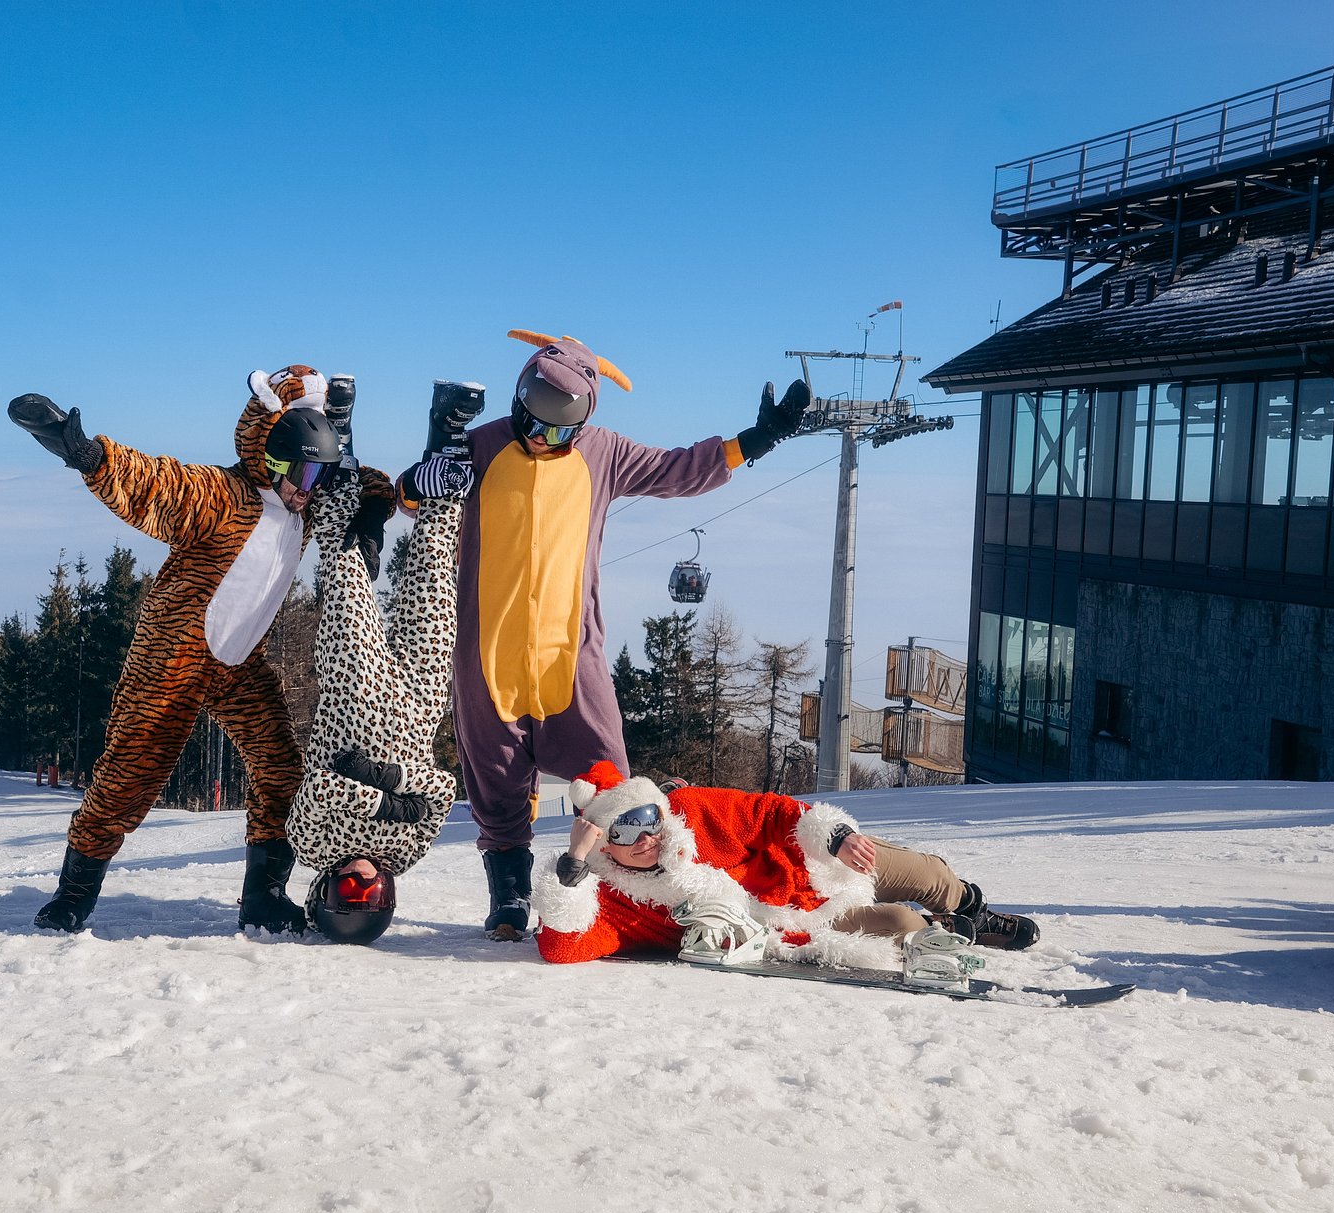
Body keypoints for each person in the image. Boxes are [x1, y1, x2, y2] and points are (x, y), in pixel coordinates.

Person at [446, 330, 811, 938]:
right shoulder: (479, 446)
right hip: (489, 652)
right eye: (532, 424)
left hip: (571, 648)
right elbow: (416, 496)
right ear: (516, 401)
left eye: (560, 432)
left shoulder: (602, 452)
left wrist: (759, 438)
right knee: (497, 777)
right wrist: (423, 474)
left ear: (584, 422)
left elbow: (679, 470)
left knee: (612, 782)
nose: (543, 440)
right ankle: (509, 900)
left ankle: (621, 902)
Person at [9, 366, 394, 935]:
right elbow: (155, 485)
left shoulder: (305, 500)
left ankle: (262, 895)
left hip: (238, 664)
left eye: (320, 474)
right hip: (173, 659)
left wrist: (372, 513)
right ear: (275, 454)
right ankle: (75, 892)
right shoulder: (225, 495)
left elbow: (372, 484)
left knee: (282, 768)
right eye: (303, 473)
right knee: (131, 772)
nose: (308, 489)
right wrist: (87, 453)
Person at [285, 381, 485, 944]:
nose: (360, 882)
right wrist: (395, 785)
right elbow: (444, 790)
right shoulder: (409, 853)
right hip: (420, 703)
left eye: (345, 893)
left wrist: (387, 790)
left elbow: (324, 791)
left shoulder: (311, 844)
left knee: (345, 569)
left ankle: (337, 446)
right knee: (433, 576)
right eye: (368, 897)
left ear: (322, 888)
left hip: (355, 689)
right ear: (387, 897)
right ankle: (447, 439)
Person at [532, 761, 1039, 966]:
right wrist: (572, 868)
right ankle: (955, 928)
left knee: (931, 876)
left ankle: (971, 906)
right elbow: (562, 946)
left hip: (815, 864)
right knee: (904, 925)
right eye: (620, 831)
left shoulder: (697, 810)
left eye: (646, 818)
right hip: (801, 920)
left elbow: (770, 811)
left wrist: (833, 838)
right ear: (601, 844)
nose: (643, 837)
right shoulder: (619, 899)